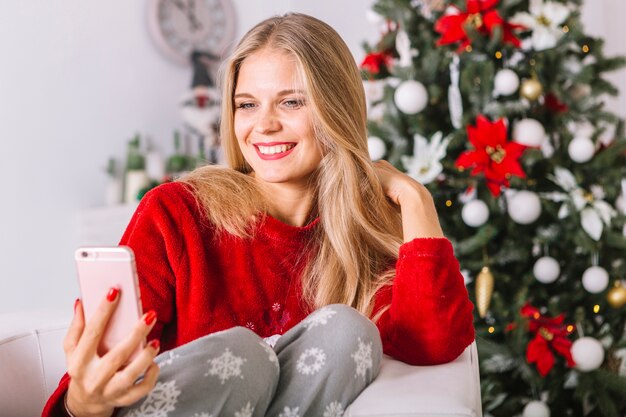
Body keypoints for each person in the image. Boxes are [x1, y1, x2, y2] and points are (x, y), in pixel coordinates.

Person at [42, 12, 474, 417]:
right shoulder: (176, 213)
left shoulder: (358, 238)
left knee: (348, 332)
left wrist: (415, 199)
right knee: (245, 357)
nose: (263, 125)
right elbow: (92, 382)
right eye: (247, 105)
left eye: (290, 102)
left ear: (336, 110)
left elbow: (432, 345)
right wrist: (84, 400)